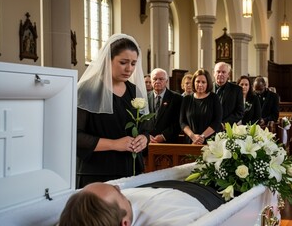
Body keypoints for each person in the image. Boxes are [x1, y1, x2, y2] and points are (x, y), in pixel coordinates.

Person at [76, 34, 149, 188]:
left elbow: (145, 128)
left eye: (133, 63)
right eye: (123, 62)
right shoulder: (87, 90)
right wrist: (114, 144)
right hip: (96, 172)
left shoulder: (134, 91)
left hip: (131, 170)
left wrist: (144, 138)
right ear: (107, 60)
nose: (129, 69)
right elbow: (75, 136)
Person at [58, 181, 224, 226]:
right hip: (205, 194)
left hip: (165, 185)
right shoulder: (169, 222)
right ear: (125, 223)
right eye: (119, 193)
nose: (118, 186)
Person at [180, 69, 222, 144]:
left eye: (203, 82)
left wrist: (202, 137)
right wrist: (193, 136)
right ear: (193, 82)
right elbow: (182, 122)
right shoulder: (187, 99)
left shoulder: (214, 98)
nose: (200, 84)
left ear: (208, 83)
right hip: (191, 141)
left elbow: (217, 121)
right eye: (197, 81)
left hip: (210, 142)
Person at [144, 68, 182, 144]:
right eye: (155, 79)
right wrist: (147, 135)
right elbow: (142, 120)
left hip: (168, 143)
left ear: (166, 81)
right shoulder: (145, 98)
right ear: (151, 81)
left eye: (161, 79)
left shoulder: (177, 98)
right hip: (148, 143)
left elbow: (179, 122)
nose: (157, 81)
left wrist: (163, 136)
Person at [213, 62, 244, 126]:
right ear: (214, 73)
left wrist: (224, 124)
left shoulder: (237, 90)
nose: (220, 74)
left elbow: (239, 112)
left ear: (228, 75)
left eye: (223, 72)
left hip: (227, 128)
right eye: (218, 71)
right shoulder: (207, 89)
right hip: (208, 128)